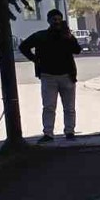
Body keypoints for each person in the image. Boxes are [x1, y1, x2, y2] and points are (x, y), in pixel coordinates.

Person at [19, 9, 82, 142]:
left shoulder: (66, 35)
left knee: (69, 107)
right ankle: (48, 133)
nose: (57, 22)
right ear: (48, 21)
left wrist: (69, 38)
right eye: (54, 19)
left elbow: (77, 50)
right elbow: (23, 46)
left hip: (67, 76)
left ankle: (70, 132)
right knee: (48, 106)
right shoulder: (40, 36)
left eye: (59, 19)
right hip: (48, 76)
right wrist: (35, 59)